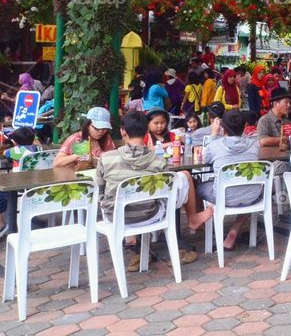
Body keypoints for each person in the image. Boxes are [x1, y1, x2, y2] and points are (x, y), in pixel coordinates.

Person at [97, 112, 213, 267]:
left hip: (115, 217)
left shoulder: (106, 158)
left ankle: (136, 245)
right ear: (146, 131)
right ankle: (192, 218)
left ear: (122, 131)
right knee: (183, 177)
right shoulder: (158, 161)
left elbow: (100, 190)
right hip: (150, 214)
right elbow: (167, 190)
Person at [200, 109, 262, 250]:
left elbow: (205, 158)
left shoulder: (215, 146)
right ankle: (234, 230)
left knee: (198, 185)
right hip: (253, 196)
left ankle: (203, 224)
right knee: (249, 189)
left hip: (224, 197)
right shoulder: (255, 145)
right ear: (245, 125)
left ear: (222, 126)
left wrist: (214, 134)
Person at [54, 106, 118, 167]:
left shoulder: (106, 139)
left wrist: (94, 161)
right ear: (87, 126)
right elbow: (57, 163)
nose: (101, 131)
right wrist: (77, 156)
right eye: (96, 128)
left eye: (104, 128)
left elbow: (113, 159)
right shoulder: (76, 139)